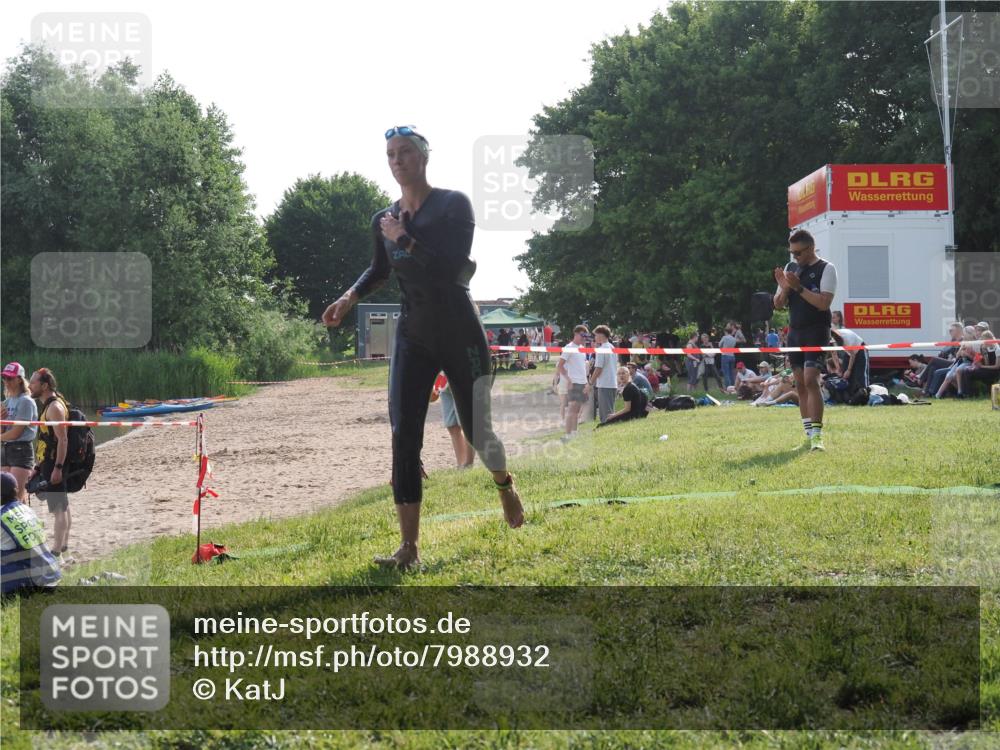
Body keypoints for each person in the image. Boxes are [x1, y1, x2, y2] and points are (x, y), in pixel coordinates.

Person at [320, 125, 523, 570]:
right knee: (403, 434)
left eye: (405, 152)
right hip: (413, 333)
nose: (397, 160)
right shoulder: (383, 218)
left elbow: (453, 268)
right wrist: (348, 297)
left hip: (459, 330)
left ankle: (504, 483)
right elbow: (379, 269)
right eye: (390, 154)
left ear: (423, 157)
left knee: (478, 432)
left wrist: (404, 238)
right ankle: (408, 548)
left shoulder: (453, 205)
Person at [773, 229, 837, 450]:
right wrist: (784, 289)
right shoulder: (791, 268)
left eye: (798, 253)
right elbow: (778, 304)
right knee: (800, 383)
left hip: (817, 330)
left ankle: (818, 437)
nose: (795, 257)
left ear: (810, 248)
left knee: (811, 380)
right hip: (795, 332)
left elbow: (823, 303)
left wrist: (798, 288)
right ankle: (808, 434)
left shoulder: (826, 268)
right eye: (792, 253)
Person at [27, 368, 72, 558]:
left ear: (44, 386)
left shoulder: (54, 407)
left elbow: (63, 440)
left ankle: (56, 551)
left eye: (33, 383)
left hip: (55, 463)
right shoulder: (50, 405)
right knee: (63, 506)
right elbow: (47, 439)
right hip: (49, 462)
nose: (29, 386)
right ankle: (64, 546)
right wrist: (38, 466)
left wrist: (58, 468)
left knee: (58, 508)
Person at [1, 471, 61, 597]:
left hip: (27, 583)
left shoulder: (2, 517)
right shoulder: (27, 510)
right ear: (16, 490)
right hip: (51, 575)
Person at [1, 363, 38, 502]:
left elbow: (16, 433)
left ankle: (25, 516)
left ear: (19, 380)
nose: (6, 381)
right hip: (5, 449)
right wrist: (1, 421)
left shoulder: (26, 401)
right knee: (4, 497)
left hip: (21, 450)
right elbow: (4, 430)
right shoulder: (6, 402)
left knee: (16, 497)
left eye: (10, 378)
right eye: (4, 378)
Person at [557, 325, 591, 440]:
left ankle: (574, 433)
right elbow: (560, 366)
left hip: (582, 382)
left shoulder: (581, 348)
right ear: (576, 334)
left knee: (577, 411)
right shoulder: (569, 347)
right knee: (572, 410)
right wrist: (569, 380)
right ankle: (567, 435)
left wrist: (586, 383)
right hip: (574, 382)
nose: (584, 338)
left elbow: (582, 368)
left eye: (586, 336)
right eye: (582, 335)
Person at [435, 373, 474, 468]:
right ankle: (461, 464)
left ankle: (468, 464)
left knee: (466, 424)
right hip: (443, 380)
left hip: (461, 375)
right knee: (452, 425)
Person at [589, 325, 618, 423]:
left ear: (601, 335)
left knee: (606, 415)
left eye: (596, 335)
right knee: (610, 412)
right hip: (612, 383)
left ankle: (607, 428)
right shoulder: (612, 347)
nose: (595, 337)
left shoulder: (601, 349)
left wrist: (590, 382)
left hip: (605, 384)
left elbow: (598, 369)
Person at [832, 326, 869, 394]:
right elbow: (833, 353)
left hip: (860, 349)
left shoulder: (846, 338)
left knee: (860, 375)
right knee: (844, 375)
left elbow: (852, 355)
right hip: (849, 352)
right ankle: (850, 396)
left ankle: (864, 394)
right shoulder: (830, 338)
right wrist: (838, 369)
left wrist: (849, 370)